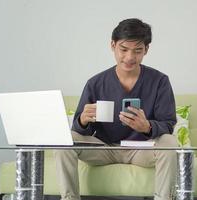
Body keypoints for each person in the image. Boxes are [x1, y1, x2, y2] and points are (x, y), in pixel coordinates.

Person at [54, 18, 178, 200]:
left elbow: (168, 124)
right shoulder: (96, 83)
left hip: (141, 150)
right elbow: (77, 128)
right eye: (124, 49)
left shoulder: (160, 81)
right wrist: (83, 120)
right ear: (113, 45)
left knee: (169, 142)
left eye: (137, 51)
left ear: (146, 50)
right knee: (64, 141)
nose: (129, 57)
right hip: (103, 148)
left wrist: (147, 127)